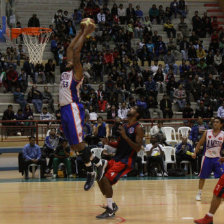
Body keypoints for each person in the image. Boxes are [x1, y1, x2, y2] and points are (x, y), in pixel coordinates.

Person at [59, 19, 105, 191]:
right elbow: (70, 49)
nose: (69, 58)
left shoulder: (77, 72)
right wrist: (79, 32)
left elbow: (76, 52)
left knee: (80, 143)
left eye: (71, 60)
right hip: (63, 109)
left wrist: (86, 33)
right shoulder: (65, 70)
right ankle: (94, 167)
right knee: (74, 146)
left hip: (72, 108)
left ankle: (97, 166)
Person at [96, 106, 144, 218]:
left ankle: (110, 210)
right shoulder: (125, 126)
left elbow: (137, 148)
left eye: (133, 108)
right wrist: (108, 143)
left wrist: (125, 137)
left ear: (137, 114)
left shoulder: (138, 128)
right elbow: (119, 144)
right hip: (117, 158)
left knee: (106, 179)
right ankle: (111, 204)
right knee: (99, 176)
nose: (130, 109)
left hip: (126, 160)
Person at [192, 117, 224, 201]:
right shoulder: (207, 132)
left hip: (218, 159)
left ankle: (221, 193)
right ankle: (199, 193)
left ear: (221, 124)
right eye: (214, 122)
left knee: (222, 177)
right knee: (202, 177)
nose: (215, 123)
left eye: (217, 122)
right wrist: (195, 152)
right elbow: (199, 143)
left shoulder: (223, 134)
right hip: (207, 158)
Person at [194, 157, 224, 224]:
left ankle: (208, 218)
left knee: (217, 193)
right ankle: (208, 217)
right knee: (217, 193)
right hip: (209, 158)